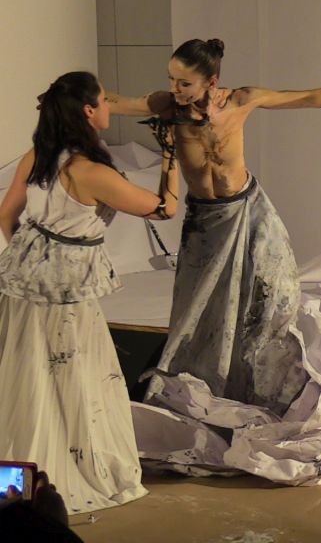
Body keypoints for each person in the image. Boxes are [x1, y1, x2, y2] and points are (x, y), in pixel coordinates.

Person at [104, 39, 321, 483]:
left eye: (184, 82)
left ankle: (271, 392)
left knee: (273, 302)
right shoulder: (167, 107)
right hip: (206, 223)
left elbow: (306, 98)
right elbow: (116, 102)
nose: (175, 89)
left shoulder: (240, 101)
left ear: (211, 81)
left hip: (250, 213)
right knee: (200, 315)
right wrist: (69, 97)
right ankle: (209, 394)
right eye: (171, 80)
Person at [0, 71, 178, 513]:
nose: (109, 106)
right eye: (104, 100)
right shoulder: (89, 172)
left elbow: (6, 217)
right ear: (88, 111)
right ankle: (63, 466)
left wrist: (32, 257)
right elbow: (164, 209)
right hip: (67, 294)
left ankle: (16, 477)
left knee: (26, 375)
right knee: (72, 375)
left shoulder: (38, 155)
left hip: (24, 285)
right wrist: (170, 154)